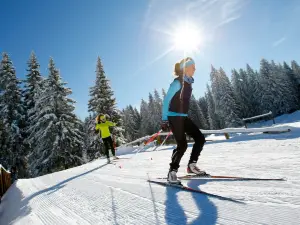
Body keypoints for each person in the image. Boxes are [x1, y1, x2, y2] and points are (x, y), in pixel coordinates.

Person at [161, 57, 207, 184]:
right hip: (174, 116)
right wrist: (164, 119)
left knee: (200, 138)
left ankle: (192, 166)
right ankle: (172, 173)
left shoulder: (188, 82)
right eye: (193, 67)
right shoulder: (177, 82)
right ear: (186, 68)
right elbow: (166, 101)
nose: (195, 69)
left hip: (183, 117)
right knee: (182, 145)